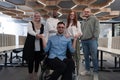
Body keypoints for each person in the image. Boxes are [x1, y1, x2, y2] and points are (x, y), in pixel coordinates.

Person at [23, 11, 45, 80]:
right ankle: (30, 75)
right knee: (30, 60)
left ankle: (35, 74)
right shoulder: (30, 23)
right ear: (33, 17)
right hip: (31, 45)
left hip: (39, 45)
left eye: (38, 16)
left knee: (37, 60)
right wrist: (37, 35)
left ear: (40, 17)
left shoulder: (42, 25)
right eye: (35, 16)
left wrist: (42, 35)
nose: (37, 17)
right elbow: (30, 31)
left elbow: (44, 33)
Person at [80, 8, 100, 75]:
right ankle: (87, 70)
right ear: (83, 12)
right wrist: (81, 37)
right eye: (85, 12)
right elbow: (81, 31)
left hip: (92, 40)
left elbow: (97, 29)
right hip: (84, 41)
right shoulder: (83, 21)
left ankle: (95, 71)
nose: (86, 13)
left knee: (94, 56)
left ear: (90, 12)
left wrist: (94, 37)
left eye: (88, 12)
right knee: (86, 56)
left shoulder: (94, 19)